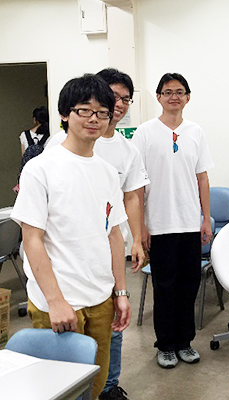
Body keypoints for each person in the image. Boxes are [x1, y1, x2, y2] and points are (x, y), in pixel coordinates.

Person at [10, 74, 131, 400]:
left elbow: (114, 234)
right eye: (85, 111)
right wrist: (55, 302)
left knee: (94, 386)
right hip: (60, 303)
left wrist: (120, 292)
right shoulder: (41, 168)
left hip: (101, 299)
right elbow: (31, 239)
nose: (95, 119)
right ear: (65, 114)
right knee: (60, 391)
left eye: (103, 112)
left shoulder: (106, 171)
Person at [46, 68, 148, 400]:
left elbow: (131, 196)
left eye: (121, 100)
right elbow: (35, 232)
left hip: (104, 259)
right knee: (63, 363)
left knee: (111, 333)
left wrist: (138, 239)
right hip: (65, 273)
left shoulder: (125, 151)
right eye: (110, 98)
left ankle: (109, 386)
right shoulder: (54, 151)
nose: (115, 106)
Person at [131, 73, 213, 369]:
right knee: (164, 287)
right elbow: (136, 185)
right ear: (158, 97)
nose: (174, 97)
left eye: (179, 92)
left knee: (189, 285)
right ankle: (165, 344)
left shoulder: (196, 132)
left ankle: (185, 341)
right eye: (168, 92)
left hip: (190, 223)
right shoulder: (145, 132)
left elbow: (202, 177)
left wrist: (206, 218)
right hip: (159, 225)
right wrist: (141, 227)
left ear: (187, 97)